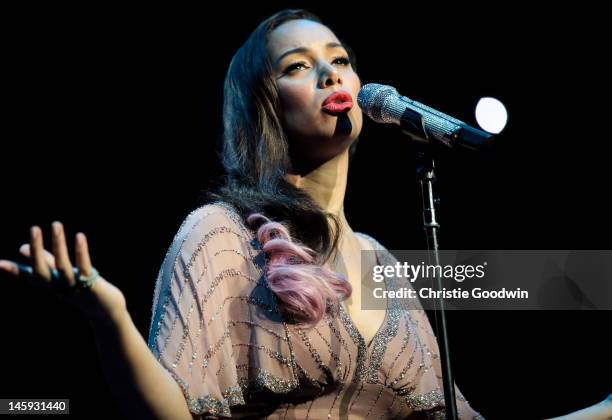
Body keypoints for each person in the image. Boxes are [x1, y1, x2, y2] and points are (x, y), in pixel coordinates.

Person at [1, 8, 610, 420]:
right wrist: (110, 318)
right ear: (264, 106)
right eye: (297, 67)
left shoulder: (382, 264)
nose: (329, 73)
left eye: (340, 60)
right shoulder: (221, 236)